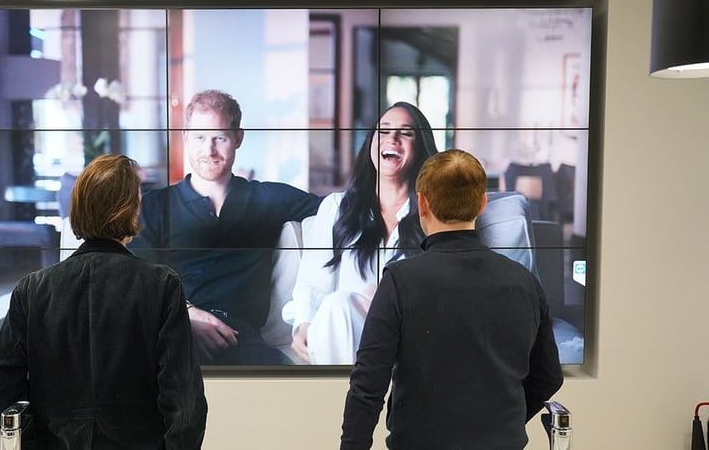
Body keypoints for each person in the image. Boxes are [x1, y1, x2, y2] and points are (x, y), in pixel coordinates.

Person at [340, 149, 563, 450]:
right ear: (482, 204)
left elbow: (367, 387)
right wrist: (502, 422)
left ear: (422, 203)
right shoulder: (525, 282)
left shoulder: (399, 280)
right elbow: (548, 377)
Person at [0, 154, 207, 449]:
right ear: (130, 211)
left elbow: (1, 401)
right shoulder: (161, 285)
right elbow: (184, 403)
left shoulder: (33, 289)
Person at [130, 89, 322, 365]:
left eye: (219, 137)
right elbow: (137, 279)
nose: (209, 150)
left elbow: (341, 209)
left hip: (242, 340)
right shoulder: (154, 207)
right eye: (199, 137)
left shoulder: (269, 199)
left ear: (238, 138)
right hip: (173, 335)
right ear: (185, 138)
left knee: (289, 388)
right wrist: (187, 314)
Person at [289, 102, 438, 365]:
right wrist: (304, 324)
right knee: (338, 305)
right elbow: (312, 285)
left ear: (421, 148)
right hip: (348, 339)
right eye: (384, 130)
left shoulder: (437, 214)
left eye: (406, 132)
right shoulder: (337, 209)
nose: (392, 137)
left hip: (413, 344)